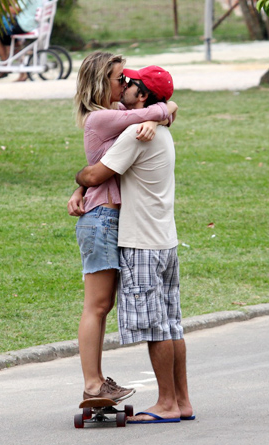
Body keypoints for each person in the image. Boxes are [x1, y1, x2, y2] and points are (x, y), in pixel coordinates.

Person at [74, 66, 194, 423]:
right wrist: (162, 115)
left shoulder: (135, 135)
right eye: (120, 79)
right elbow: (167, 108)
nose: (124, 85)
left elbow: (95, 174)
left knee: (157, 328)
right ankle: (182, 401)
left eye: (130, 83)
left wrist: (79, 179)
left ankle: (168, 404)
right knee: (172, 324)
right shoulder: (156, 131)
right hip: (165, 241)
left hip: (141, 242)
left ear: (142, 96)